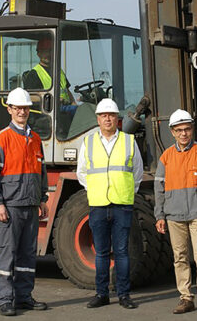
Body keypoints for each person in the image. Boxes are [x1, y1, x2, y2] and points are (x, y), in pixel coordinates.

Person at [0, 87, 49, 316]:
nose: (22, 111)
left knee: (27, 256)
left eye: (25, 108)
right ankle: (5, 300)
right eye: (18, 108)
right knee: (7, 254)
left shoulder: (35, 139)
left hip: (30, 206)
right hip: (10, 207)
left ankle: (23, 297)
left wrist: (43, 198)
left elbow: (40, 171)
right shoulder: (1, 139)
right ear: (9, 110)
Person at [154, 109, 197, 317]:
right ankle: (186, 298)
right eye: (179, 130)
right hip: (174, 217)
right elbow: (159, 188)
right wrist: (159, 215)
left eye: (187, 129)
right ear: (172, 132)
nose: (183, 133)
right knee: (180, 257)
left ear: (192, 129)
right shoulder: (166, 157)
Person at [76, 98, 143, 310]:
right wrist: (97, 190)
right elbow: (82, 173)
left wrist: (124, 192)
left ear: (117, 118)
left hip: (122, 205)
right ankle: (101, 294)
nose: (107, 118)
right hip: (98, 205)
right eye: (104, 115)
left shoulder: (129, 142)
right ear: (97, 118)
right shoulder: (88, 143)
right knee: (102, 253)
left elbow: (137, 174)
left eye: (111, 115)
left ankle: (124, 295)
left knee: (122, 252)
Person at [22, 37, 76, 111]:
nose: (48, 54)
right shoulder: (34, 73)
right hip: (49, 111)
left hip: (66, 108)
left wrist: (73, 102)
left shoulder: (59, 70)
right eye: (44, 51)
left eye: (50, 51)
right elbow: (30, 96)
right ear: (38, 53)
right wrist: (52, 98)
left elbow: (67, 90)